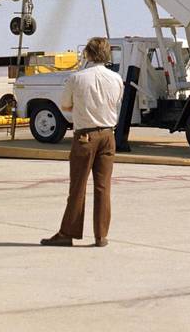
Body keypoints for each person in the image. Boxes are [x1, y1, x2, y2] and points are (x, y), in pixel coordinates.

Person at [41, 36, 125, 248]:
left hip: (85, 136)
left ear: (87, 53)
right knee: (103, 187)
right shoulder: (116, 79)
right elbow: (116, 103)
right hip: (108, 135)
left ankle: (68, 232)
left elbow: (66, 106)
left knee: (77, 187)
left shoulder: (76, 78)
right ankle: (101, 235)